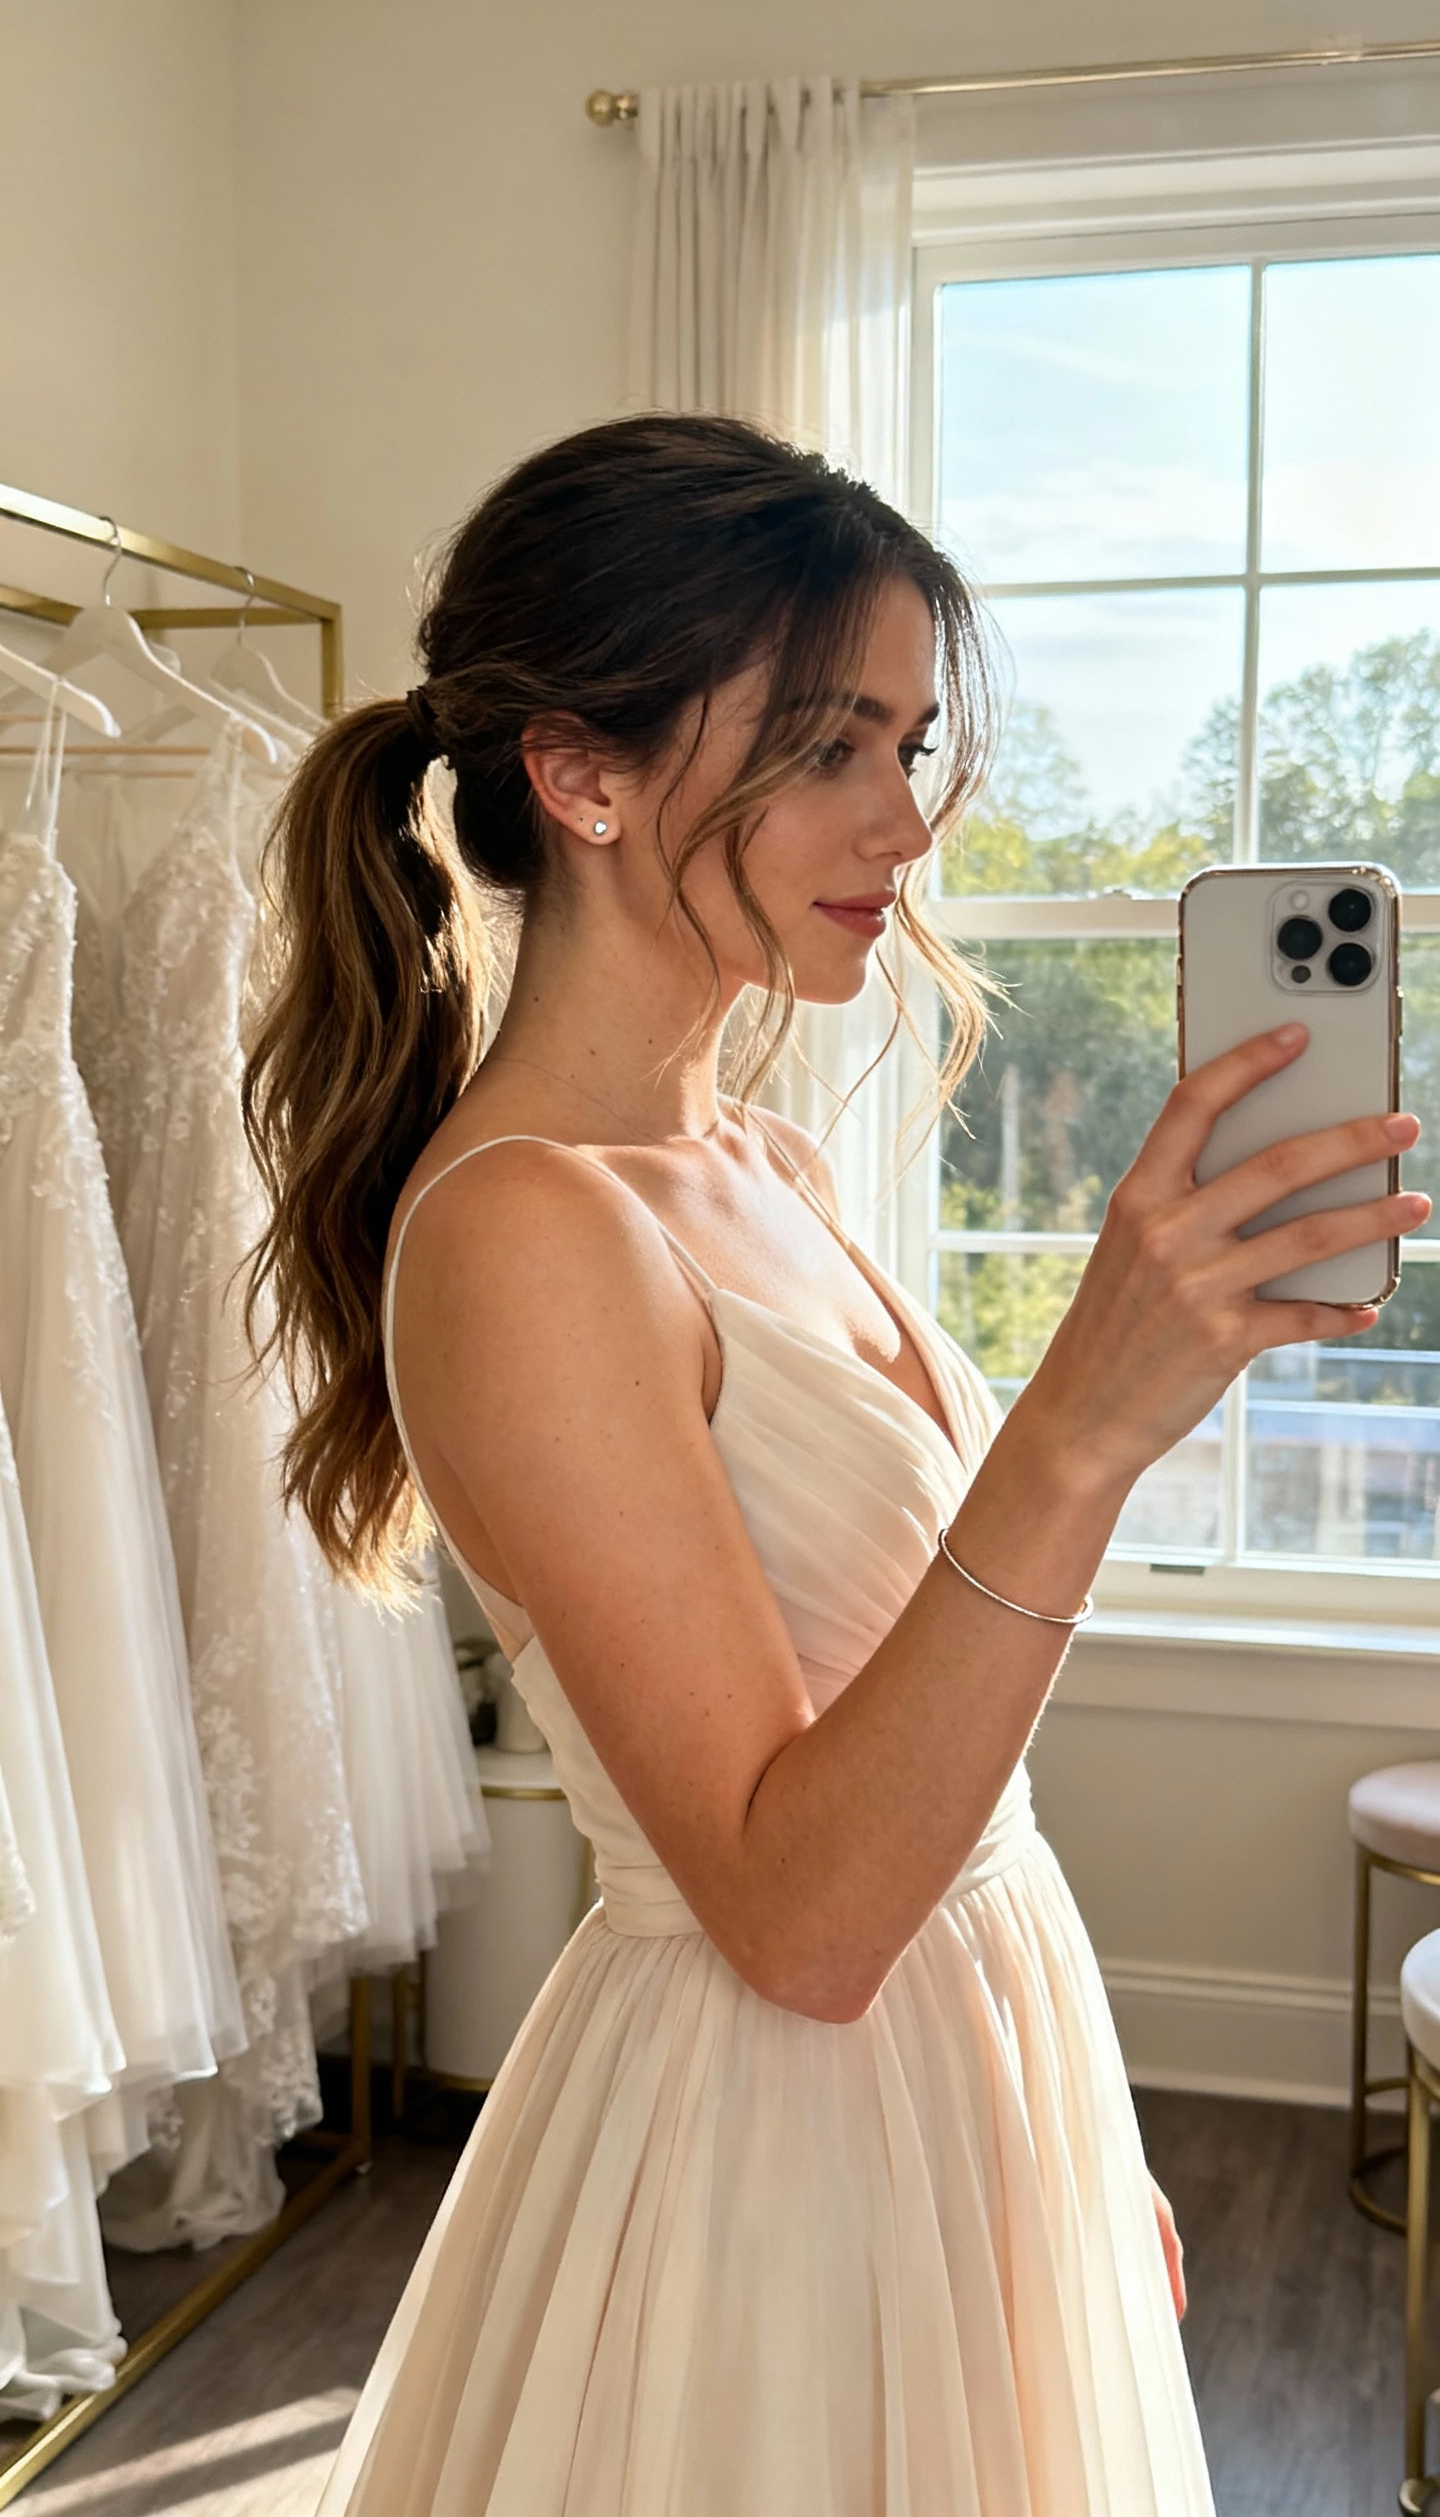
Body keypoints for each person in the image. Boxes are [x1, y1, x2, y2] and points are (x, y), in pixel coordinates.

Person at [243, 414, 1427, 2517]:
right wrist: (1080, 1418)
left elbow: (936, 1736)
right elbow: (795, 1913)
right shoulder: (525, 1232)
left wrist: (1079, 2129)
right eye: (825, 744)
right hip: (770, 2160)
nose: (902, 813)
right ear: (583, 774)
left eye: (909, 740)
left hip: (977, 2070)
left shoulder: (763, 1157)